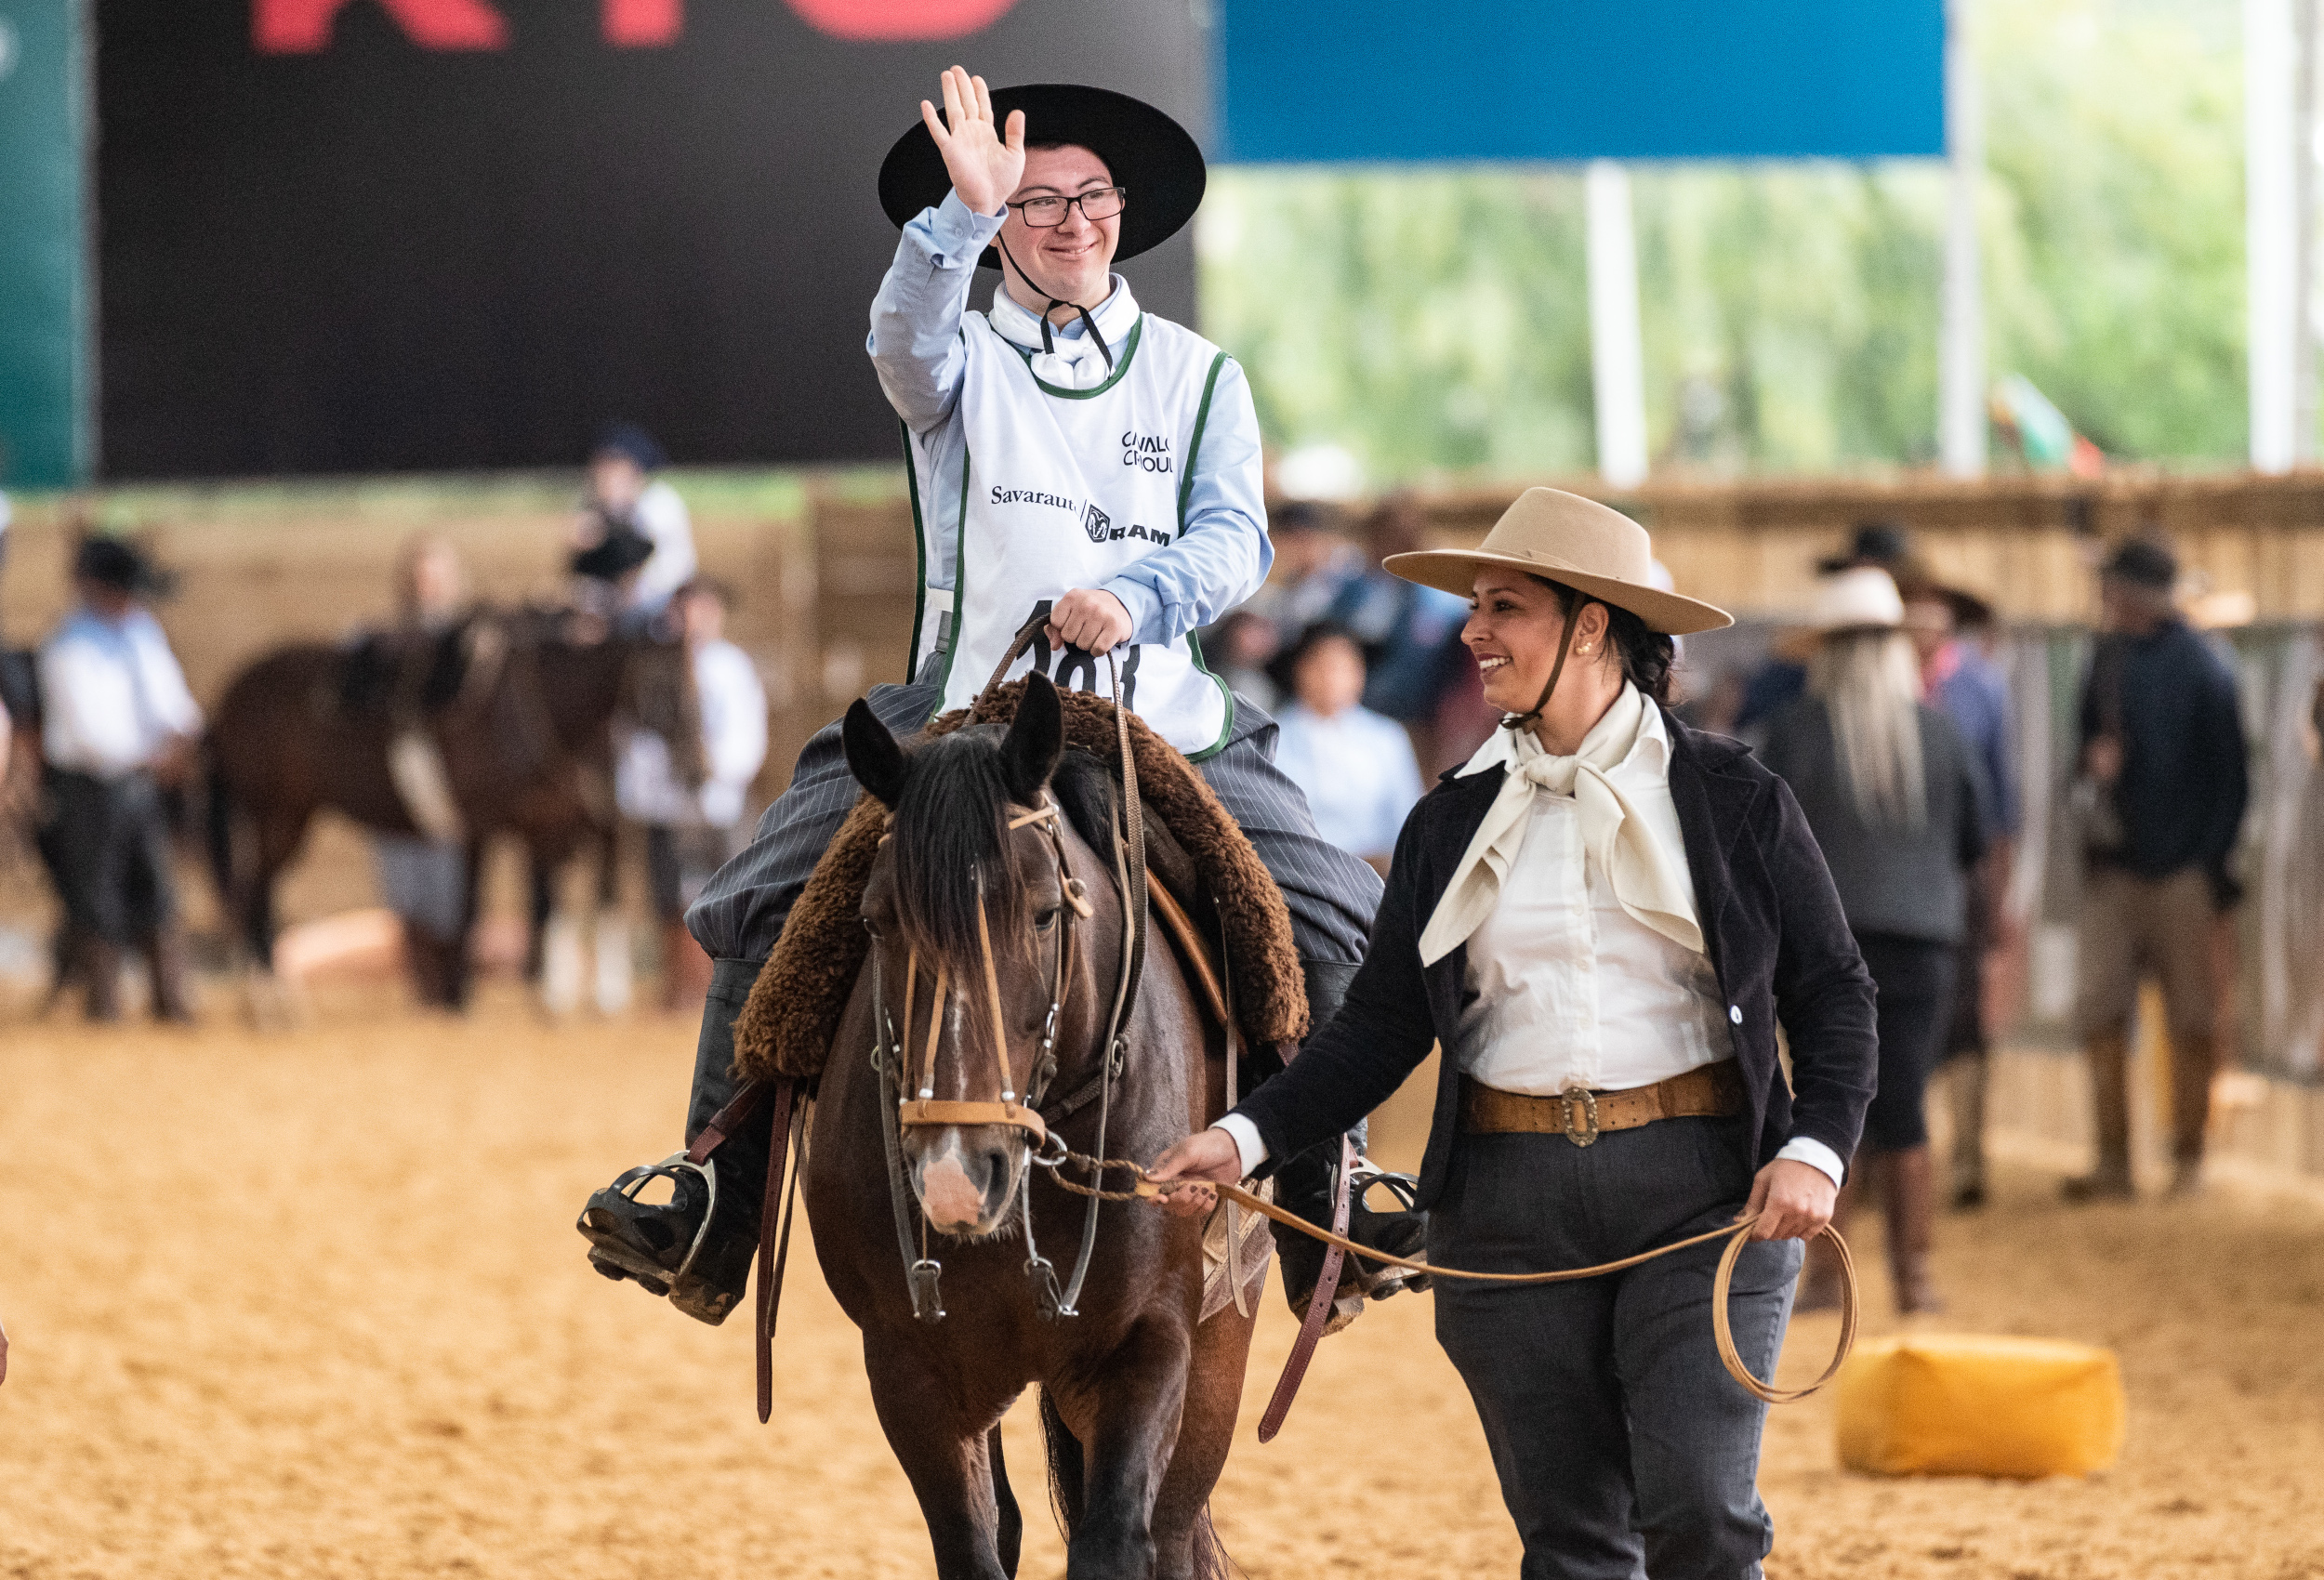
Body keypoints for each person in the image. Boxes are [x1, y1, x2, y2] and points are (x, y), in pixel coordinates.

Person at [577, 69, 1390, 1326]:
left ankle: (1341, 1199)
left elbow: (1236, 539)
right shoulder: (952, 360)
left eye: (1093, 196)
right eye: (1039, 202)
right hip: (967, 709)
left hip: (1160, 705)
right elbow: (898, 340)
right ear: (1003, 223)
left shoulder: (1197, 374)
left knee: (1331, 915)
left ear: (1127, 208)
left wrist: (1143, 592)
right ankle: (712, 1197)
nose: (1073, 221)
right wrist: (955, 215)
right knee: (762, 901)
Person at [1152, 488, 1874, 1580]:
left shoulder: (1733, 795)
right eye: (1475, 606)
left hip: (1702, 1193)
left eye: (1503, 606)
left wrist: (1814, 1148)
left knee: (1701, 1513)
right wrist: (1246, 1137)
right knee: (1570, 1541)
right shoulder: (1447, 818)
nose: (1471, 631)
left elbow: (1835, 992)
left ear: (1590, 625)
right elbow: (1379, 1028)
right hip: (1503, 1204)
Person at [1761, 568, 1987, 1314]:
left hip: (1825, 946)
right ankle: (1914, 1278)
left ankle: (1828, 1279)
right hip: (1923, 939)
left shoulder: (1796, 732)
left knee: (1831, 1096)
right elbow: (1973, 841)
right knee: (1907, 1104)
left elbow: (1765, 853)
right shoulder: (1940, 731)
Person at [2067, 537, 2249, 1202]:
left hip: (2183, 875)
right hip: (2115, 869)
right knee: (2101, 1012)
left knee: (2193, 1017)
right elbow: (2078, 760)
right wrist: (2095, 770)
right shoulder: (2105, 659)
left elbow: (2232, 778)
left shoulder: (2206, 667)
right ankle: (2114, 1162)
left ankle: (2189, 1157)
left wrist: (2208, 863)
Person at [37, 537, 205, 1021]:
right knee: (99, 895)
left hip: (142, 785)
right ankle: (104, 1005)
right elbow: (90, 735)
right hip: (90, 788)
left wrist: (181, 741)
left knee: (157, 888)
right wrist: (156, 757)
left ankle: (172, 1001)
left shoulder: (141, 633)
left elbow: (174, 703)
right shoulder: (68, 646)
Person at [1896, 567, 2021, 1210]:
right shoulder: (1878, 688)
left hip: (1961, 870)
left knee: (1968, 1017)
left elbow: (2001, 803)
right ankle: (1887, 1158)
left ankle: (1970, 1159)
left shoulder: (1980, 689)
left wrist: (1999, 895)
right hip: (1891, 875)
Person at [615, 579, 768, 1013]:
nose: (696, 619)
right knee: (670, 900)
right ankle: (677, 987)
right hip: (667, 804)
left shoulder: (735, 667)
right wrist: (660, 781)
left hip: (720, 804)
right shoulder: (652, 670)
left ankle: (721, 991)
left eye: (705, 609)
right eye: (687, 609)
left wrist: (716, 768)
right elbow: (634, 738)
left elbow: (748, 734)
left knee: (727, 899)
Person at [356, 535, 475, 1007]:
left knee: (451, 896)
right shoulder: (380, 642)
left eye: (437, 577)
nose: (428, 587)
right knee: (408, 897)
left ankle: (451, 993)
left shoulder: (472, 643)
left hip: (454, 787)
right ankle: (424, 994)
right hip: (400, 783)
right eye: (421, 577)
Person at [1270, 622, 1423, 868]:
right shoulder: (1273, 737)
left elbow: (1407, 820)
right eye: (1323, 666)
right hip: (1296, 869)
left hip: (1374, 876)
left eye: (1344, 667)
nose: (1333, 677)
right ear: (1300, 670)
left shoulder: (1387, 738)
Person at [577, 423, 696, 618]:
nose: (603, 475)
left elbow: (673, 569)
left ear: (636, 471)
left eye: (613, 467)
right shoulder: (600, 507)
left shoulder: (659, 502)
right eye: (601, 467)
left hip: (664, 610)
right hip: (626, 613)